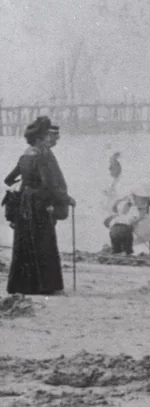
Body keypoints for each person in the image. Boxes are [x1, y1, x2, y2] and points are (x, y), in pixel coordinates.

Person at [3, 116, 74, 295]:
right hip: (39, 204)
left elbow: (8, 179)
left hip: (24, 203)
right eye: (45, 137)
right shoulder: (42, 156)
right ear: (40, 138)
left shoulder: (25, 155)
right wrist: (66, 199)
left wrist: (26, 184)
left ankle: (21, 286)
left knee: (24, 243)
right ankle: (45, 286)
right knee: (43, 242)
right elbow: (50, 184)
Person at [127, 184, 150, 255]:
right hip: (143, 219)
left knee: (147, 233)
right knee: (149, 234)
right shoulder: (146, 200)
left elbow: (141, 214)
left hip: (141, 220)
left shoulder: (142, 202)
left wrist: (134, 221)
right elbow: (144, 211)